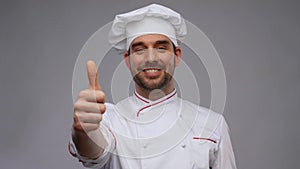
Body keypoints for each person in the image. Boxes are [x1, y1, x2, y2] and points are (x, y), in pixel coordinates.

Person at [69, 4, 237, 169]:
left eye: (161, 48)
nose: (151, 58)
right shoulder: (109, 119)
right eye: (140, 50)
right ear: (127, 59)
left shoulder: (213, 124)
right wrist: (84, 130)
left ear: (177, 56)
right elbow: (92, 154)